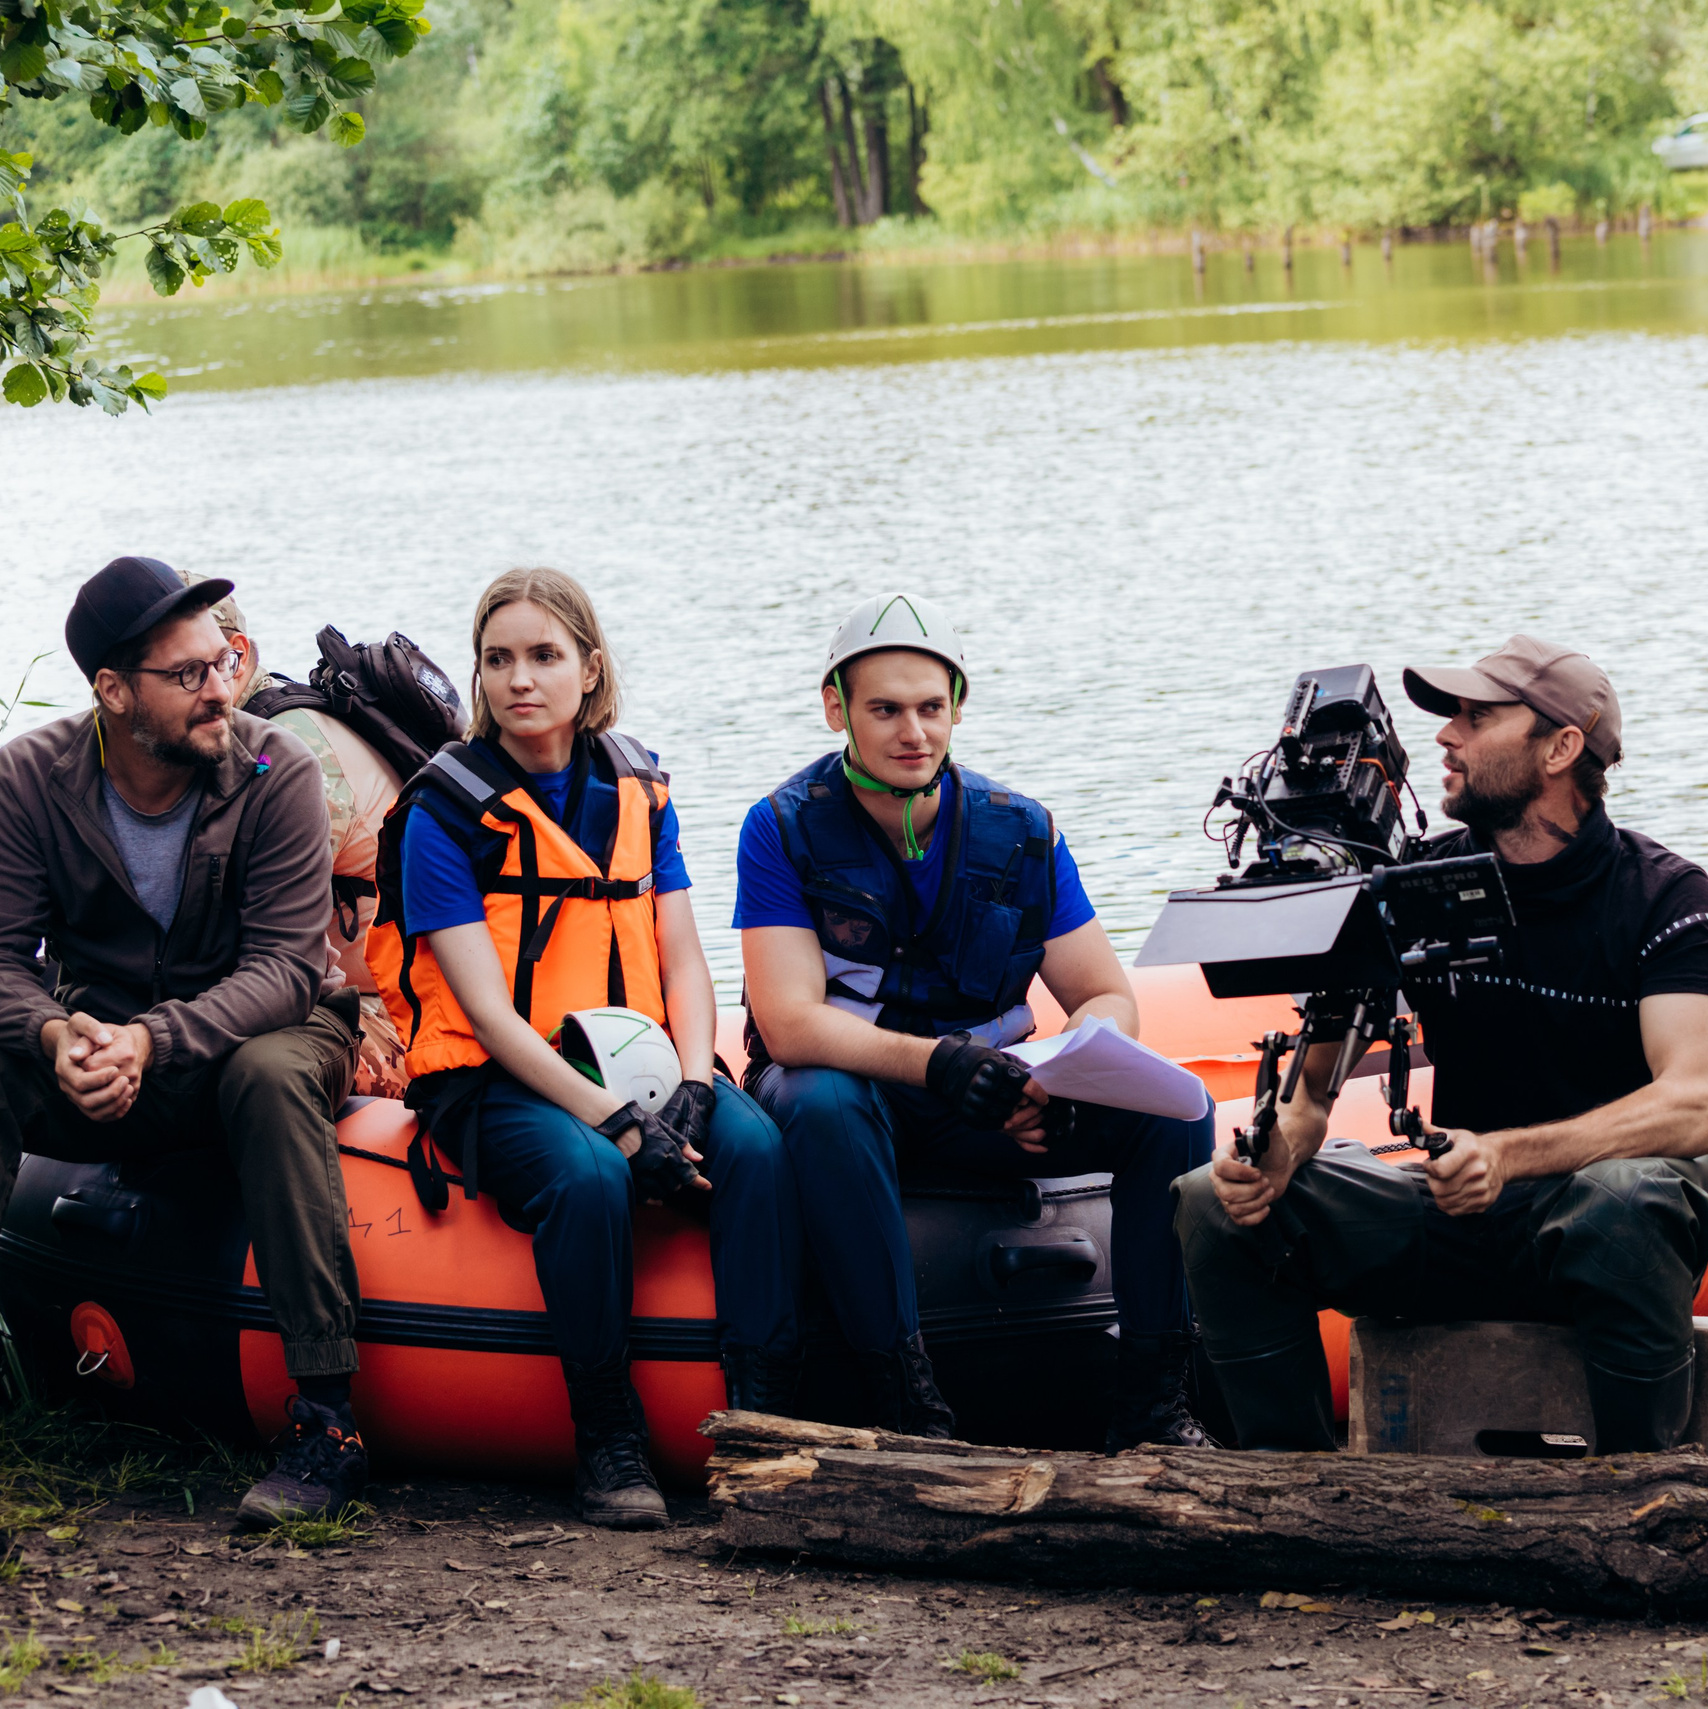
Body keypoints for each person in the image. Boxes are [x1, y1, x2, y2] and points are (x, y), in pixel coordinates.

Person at [0, 557, 370, 1532]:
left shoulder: (274, 771)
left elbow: (287, 967)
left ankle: (326, 1420)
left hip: (262, 1034)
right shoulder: (33, 777)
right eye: (188, 673)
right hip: (102, 1042)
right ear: (114, 691)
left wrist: (151, 1039)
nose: (221, 689)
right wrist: (54, 1033)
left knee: (269, 1073)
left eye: (225, 661)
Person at [1173, 637, 1708, 1454]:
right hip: (1455, 1217)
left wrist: (1505, 1154)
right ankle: (1293, 1492)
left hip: (1596, 1227)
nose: (1445, 735)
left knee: (1626, 1198)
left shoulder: (1663, 893)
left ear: (1559, 747)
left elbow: (1694, 1105)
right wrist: (1277, 1151)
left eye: (1476, 717)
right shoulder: (1420, 880)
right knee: (1208, 1201)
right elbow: (1313, 1091)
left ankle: (1638, 1490)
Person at [365, 567, 800, 1529]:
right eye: (497, 659)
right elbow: (487, 1014)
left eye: (544, 655)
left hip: (636, 1058)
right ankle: (608, 1438)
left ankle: (762, 1422)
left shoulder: (638, 787)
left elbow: (683, 960)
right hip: (496, 1077)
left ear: (589, 667)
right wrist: (618, 1124)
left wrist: (695, 1084)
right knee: (591, 1173)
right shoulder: (443, 813)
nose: (519, 679)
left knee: (758, 1146)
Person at [736, 593, 1214, 1451]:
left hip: (989, 1097)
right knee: (818, 1099)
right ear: (837, 709)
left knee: (1178, 1110)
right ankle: (907, 1402)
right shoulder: (780, 827)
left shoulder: (1023, 830)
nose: (913, 732)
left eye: (931, 707)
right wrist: (941, 1064)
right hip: (864, 1094)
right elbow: (789, 1024)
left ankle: (1155, 1404)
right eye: (886, 709)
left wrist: (1060, 1081)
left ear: (958, 706)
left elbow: (1108, 996)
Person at [194, 579, 412, 1097]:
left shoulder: (294, 746)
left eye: (187, 667)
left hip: (392, 1016)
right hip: (328, 998)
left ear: (235, 658)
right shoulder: (246, 730)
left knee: (230, 1063)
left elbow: (252, 931)